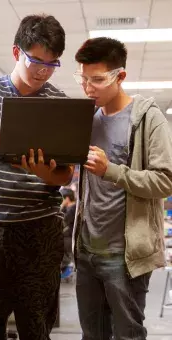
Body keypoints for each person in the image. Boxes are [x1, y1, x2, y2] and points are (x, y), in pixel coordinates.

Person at [0, 14, 74, 340]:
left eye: (51, 65)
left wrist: (43, 172)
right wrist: (27, 132)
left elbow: (63, 175)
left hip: (39, 229)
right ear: (16, 52)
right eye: (36, 61)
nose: (42, 72)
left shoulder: (57, 102)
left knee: (36, 329)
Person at [72, 37, 172, 340]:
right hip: (87, 252)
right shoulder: (86, 121)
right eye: (83, 79)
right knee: (93, 335)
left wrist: (111, 171)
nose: (89, 87)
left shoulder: (147, 118)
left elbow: (165, 180)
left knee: (128, 335)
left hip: (125, 256)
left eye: (98, 80)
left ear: (120, 76)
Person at [60, 187, 76, 273]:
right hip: (67, 236)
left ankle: (65, 264)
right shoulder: (69, 208)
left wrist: (62, 206)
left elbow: (63, 221)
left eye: (62, 198)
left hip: (70, 238)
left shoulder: (73, 208)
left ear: (67, 198)